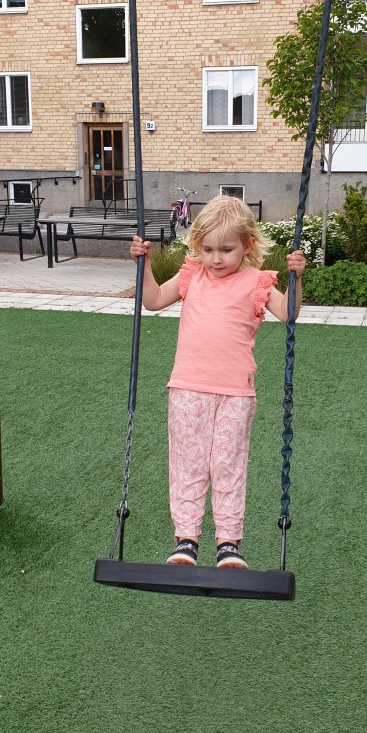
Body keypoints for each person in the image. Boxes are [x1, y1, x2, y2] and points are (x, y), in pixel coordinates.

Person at [130, 195, 306, 570]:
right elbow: (154, 300)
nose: (216, 258)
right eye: (208, 249)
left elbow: (287, 312)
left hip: (235, 393)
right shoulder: (192, 275)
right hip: (187, 388)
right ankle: (187, 540)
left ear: (247, 244)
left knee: (227, 467)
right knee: (189, 465)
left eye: (226, 250)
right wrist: (144, 266)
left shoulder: (256, 281)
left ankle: (228, 543)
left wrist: (297, 277)